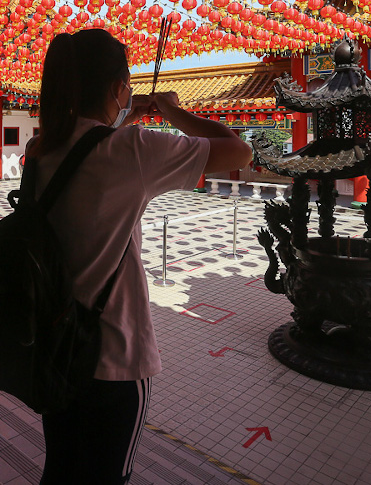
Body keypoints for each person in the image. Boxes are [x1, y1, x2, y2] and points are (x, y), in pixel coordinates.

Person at [29, 29, 252, 484]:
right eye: (126, 85)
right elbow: (240, 152)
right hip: (114, 354)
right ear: (117, 88)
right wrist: (172, 110)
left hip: (55, 345)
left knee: (61, 468)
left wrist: (122, 121)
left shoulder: (40, 149)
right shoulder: (131, 150)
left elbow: (92, 149)